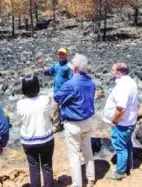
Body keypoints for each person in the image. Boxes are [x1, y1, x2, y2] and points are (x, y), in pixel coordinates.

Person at [54, 54, 96, 187]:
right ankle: (91, 179)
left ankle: (77, 184)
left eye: (72, 63)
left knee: (74, 156)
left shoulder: (71, 83)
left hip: (73, 123)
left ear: (76, 67)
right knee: (88, 151)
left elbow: (57, 97)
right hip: (88, 121)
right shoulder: (91, 82)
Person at [103, 62, 139, 180]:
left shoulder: (122, 86)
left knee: (120, 147)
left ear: (118, 73)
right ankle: (128, 165)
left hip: (122, 123)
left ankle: (120, 172)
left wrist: (114, 120)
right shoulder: (131, 82)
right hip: (130, 120)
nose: (111, 72)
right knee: (127, 143)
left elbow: (121, 108)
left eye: (112, 70)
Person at [16, 74, 54, 187]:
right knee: (47, 165)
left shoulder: (20, 103)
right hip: (46, 137)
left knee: (34, 167)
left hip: (28, 140)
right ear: (37, 86)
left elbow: (19, 119)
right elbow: (51, 115)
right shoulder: (45, 99)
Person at [38, 48, 73, 132]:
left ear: (66, 55)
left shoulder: (68, 66)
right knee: (54, 109)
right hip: (56, 92)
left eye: (63, 54)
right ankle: (56, 126)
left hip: (65, 93)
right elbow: (48, 72)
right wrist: (42, 66)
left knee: (66, 109)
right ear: (57, 55)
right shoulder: (56, 65)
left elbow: (71, 80)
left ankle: (67, 125)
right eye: (60, 54)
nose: (61, 56)